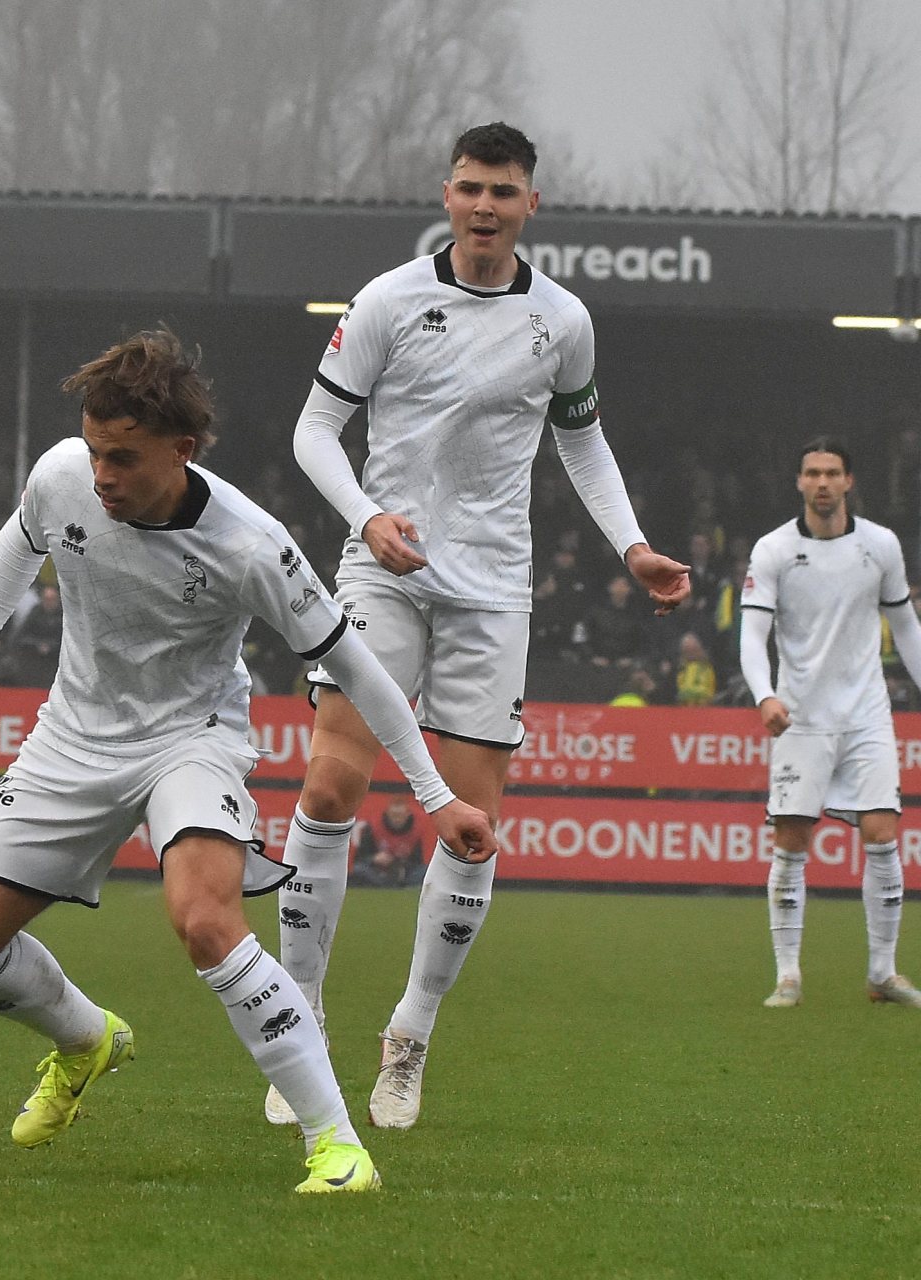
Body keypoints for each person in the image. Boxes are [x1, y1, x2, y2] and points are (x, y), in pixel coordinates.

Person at [0, 328, 495, 1194]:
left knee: (207, 921)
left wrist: (437, 795)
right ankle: (85, 1041)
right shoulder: (64, 475)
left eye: (125, 459)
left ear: (181, 452)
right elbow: (19, 541)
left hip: (192, 740)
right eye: (96, 451)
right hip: (71, 735)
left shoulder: (253, 545)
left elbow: (357, 666)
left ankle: (336, 1147)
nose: (102, 476)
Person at [272, 122, 692, 1130]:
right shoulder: (386, 301)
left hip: (495, 589)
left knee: (469, 819)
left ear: (530, 204)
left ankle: (409, 1035)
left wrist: (630, 546)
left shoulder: (564, 320)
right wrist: (369, 517)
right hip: (384, 565)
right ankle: (299, 1024)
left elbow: (583, 446)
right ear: (448, 194)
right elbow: (314, 431)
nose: (486, 205)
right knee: (331, 781)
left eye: (504, 190)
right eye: (470, 187)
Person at [740, 439, 921, 1009]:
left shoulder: (880, 546)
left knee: (883, 835)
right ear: (799, 482)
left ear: (848, 481)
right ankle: (788, 976)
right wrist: (765, 695)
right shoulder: (773, 549)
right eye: (812, 473)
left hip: (866, 714)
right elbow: (751, 634)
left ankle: (882, 974)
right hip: (801, 718)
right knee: (791, 843)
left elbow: (907, 628)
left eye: (832, 473)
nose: (822, 483)